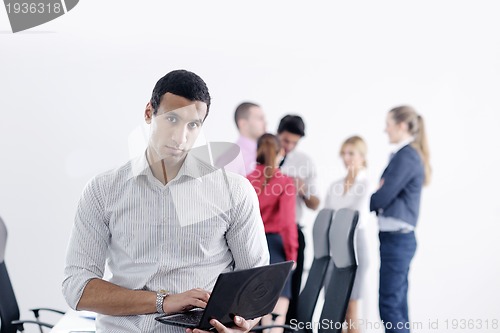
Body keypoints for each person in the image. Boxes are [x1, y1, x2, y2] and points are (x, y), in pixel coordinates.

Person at [62, 70, 270, 333]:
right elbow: (77, 287)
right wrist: (164, 302)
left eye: (192, 125)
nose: (180, 137)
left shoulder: (235, 191)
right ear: (149, 112)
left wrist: (241, 324)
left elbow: (257, 286)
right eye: (172, 119)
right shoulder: (103, 190)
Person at [370, 106, 431, 333]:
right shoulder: (406, 154)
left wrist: (374, 197)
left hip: (397, 240)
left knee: (389, 305)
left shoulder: (406, 155)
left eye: (388, 123)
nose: (385, 129)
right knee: (396, 304)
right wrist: (379, 193)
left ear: (402, 125)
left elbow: (382, 196)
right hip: (396, 239)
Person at [246, 133, 298, 333]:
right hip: (276, 250)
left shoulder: (245, 180)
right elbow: (287, 223)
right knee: (276, 320)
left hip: (250, 248)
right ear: (280, 152)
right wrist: (292, 255)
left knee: (249, 319)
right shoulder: (284, 182)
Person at [323, 136, 372, 333]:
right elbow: (326, 216)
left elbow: (353, 215)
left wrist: (338, 217)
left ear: (362, 156)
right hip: (334, 248)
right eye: (343, 153)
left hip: (354, 247)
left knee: (351, 309)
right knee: (335, 310)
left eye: (351, 153)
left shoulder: (366, 184)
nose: (346, 158)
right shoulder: (335, 185)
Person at [276, 115, 320, 324]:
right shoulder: (261, 157)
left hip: (293, 233)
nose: (290, 146)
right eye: (286, 141)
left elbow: (315, 204)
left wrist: (302, 191)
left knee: (292, 290)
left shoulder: (305, 162)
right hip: (266, 234)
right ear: (278, 134)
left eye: (295, 142)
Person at [234, 102, 267, 175]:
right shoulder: (232, 158)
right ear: (243, 124)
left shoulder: (267, 151)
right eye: (260, 119)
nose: (266, 123)